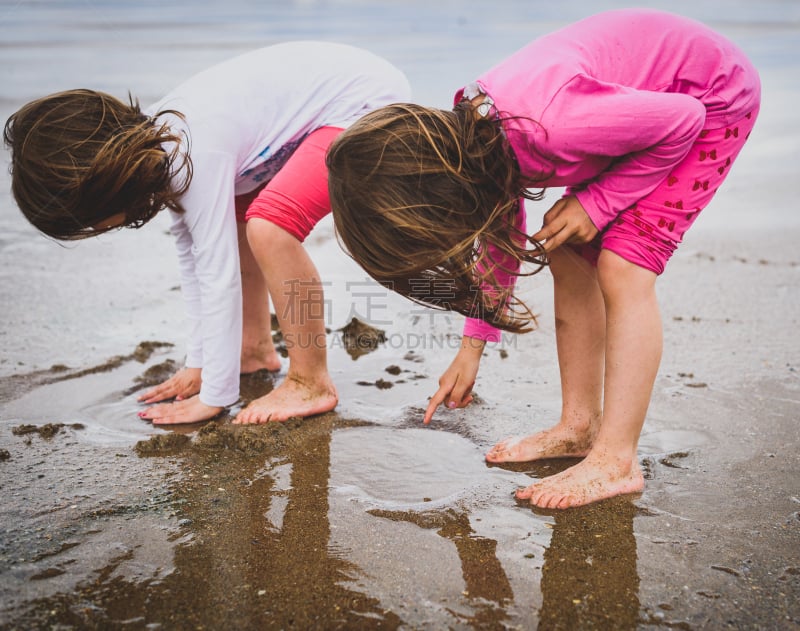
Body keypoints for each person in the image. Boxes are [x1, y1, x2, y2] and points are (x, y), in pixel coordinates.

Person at [326, 9, 760, 508]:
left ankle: (615, 459)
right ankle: (578, 426)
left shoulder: (550, 126)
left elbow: (684, 120)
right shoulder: (477, 140)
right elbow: (500, 231)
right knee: (568, 248)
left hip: (713, 99)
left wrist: (599, 204)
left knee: (624, 266)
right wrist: (473, 346)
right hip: (632, 105)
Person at [5, 42, 411, 425]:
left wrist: (215, 396)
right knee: (240, 219)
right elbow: (193, 257)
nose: (94, 230)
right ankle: (251, 351)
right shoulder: (160, 145)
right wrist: (201, 364)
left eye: (87, 221)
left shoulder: (192, 150)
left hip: (366, 105)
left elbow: (218, 278)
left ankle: (310, 382)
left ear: (103, 185)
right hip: (326, 107)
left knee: (270, 227)